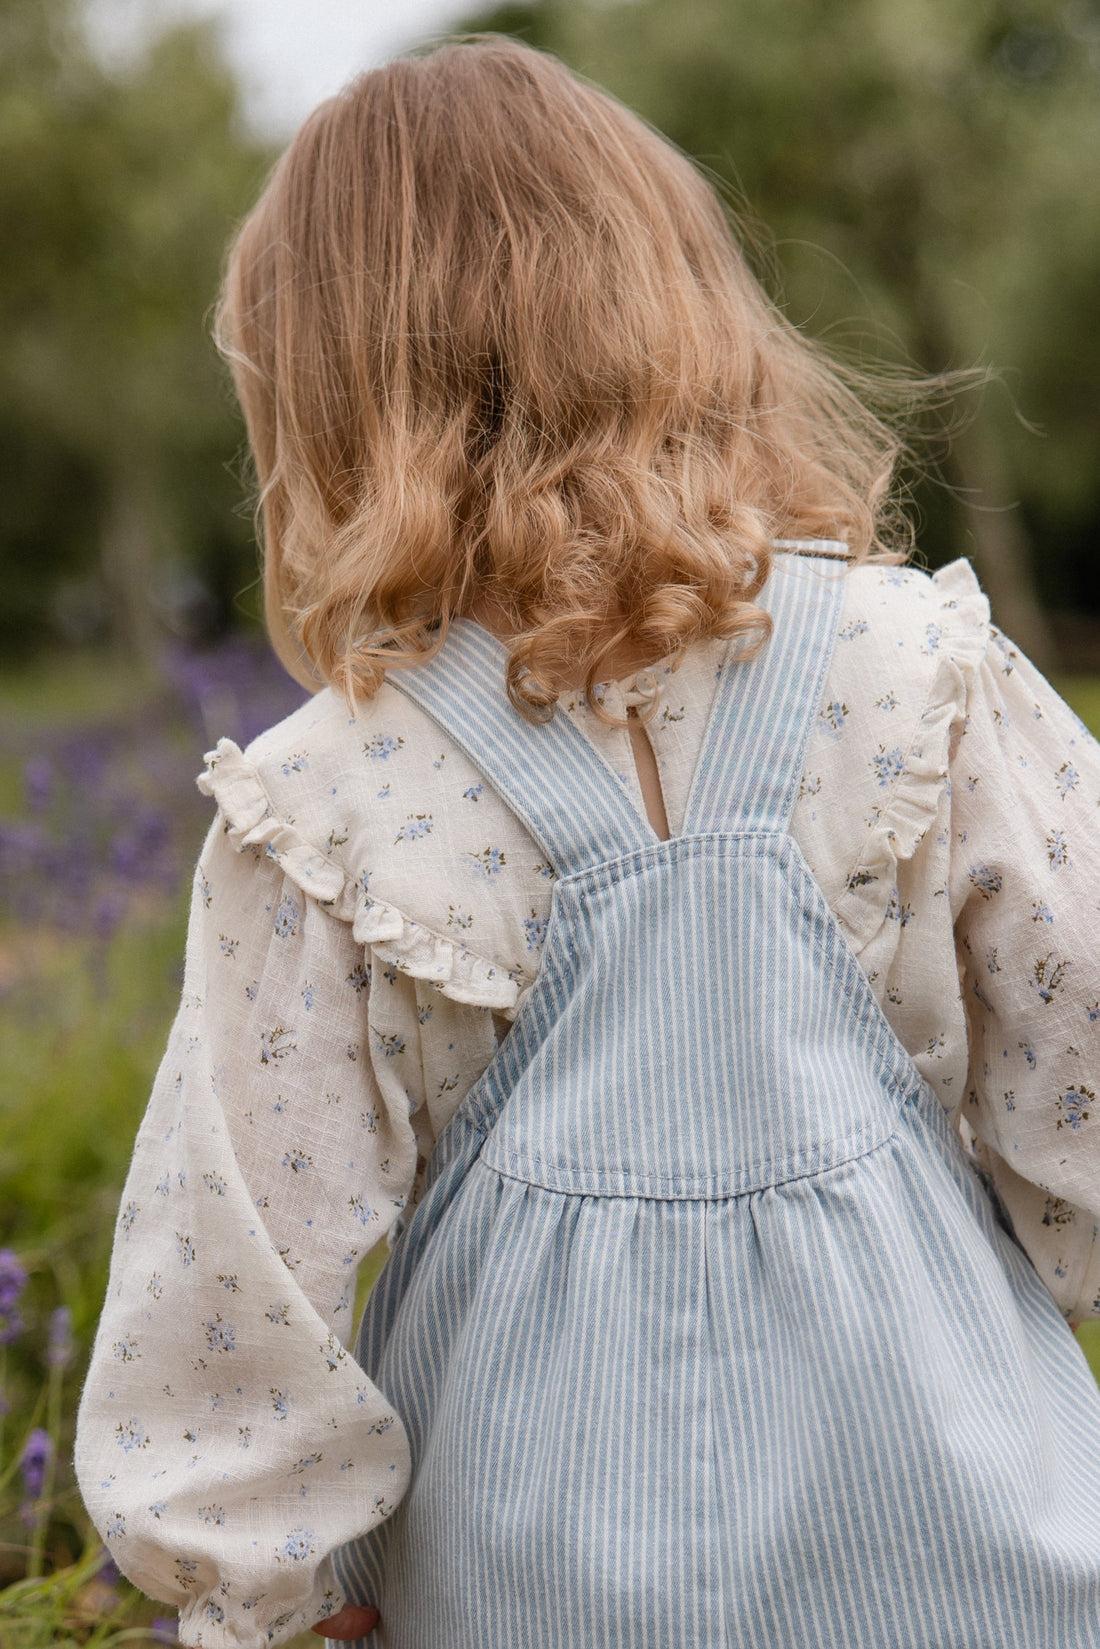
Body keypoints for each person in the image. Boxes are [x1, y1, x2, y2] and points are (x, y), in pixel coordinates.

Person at [75, 34, 1100, 1649]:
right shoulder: (922, 680)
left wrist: (249, 1602)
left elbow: (231, 1296)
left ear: (326, 395)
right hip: (973, 1562)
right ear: (685, 315)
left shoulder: (332, 796)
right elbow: (1085, 1085)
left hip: (533, 1588)